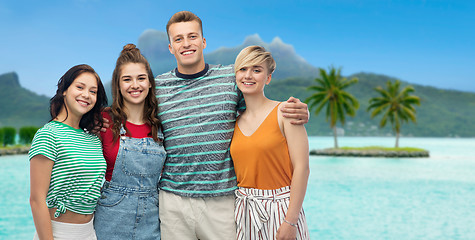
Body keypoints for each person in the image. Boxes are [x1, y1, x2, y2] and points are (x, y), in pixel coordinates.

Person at [155, 11, 309, 240]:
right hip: (173, 202)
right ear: (170, 47)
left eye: (192, 36)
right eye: (178, 39)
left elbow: (260, 102)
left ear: (203, 41)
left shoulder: (231, 77)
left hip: (223, 202)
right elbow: (132, 114)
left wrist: (300, 110)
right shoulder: (158, 87)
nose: (186, 44)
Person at [230, 45, 310, 240]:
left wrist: (290, 221)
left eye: (256, 70)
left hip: (282, 209)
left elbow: (302, 168)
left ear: (267, 78)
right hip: (245, 210)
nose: (248, 75)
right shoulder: (232, 121)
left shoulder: (285, 112)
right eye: (243, 69)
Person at [93, 44, 166, 239]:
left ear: (150, 83)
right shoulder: (102, 120)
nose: (135, 85)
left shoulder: (160, 125)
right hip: (109, 220)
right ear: (117, 84)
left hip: (152, 220)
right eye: (127, 79)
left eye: (141, 78)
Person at [29, 64, 108, 240]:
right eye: (79, 87)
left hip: (90, 232)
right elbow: (36, 200)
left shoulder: (93, 139)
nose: (86, 95)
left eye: (93, 91)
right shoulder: (48, 134)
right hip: (57, 233)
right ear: (64, 90)